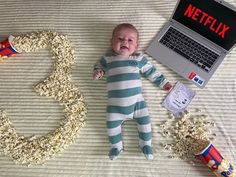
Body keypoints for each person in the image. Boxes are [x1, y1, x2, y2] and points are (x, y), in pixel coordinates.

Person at [93, 23, 172, 160]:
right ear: (111, 42)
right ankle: (116, 146)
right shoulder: (107, 59)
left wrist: (163, 83)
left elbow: (151, 72)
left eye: (130, 40)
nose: (124, 42)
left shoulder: (138, 59)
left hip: (137, 104)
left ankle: (146, 144)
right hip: (114, 108)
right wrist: (98, 72)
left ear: (136, 45)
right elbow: (98, 66)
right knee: (111, 126)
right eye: (119, 39)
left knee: (145, 123)